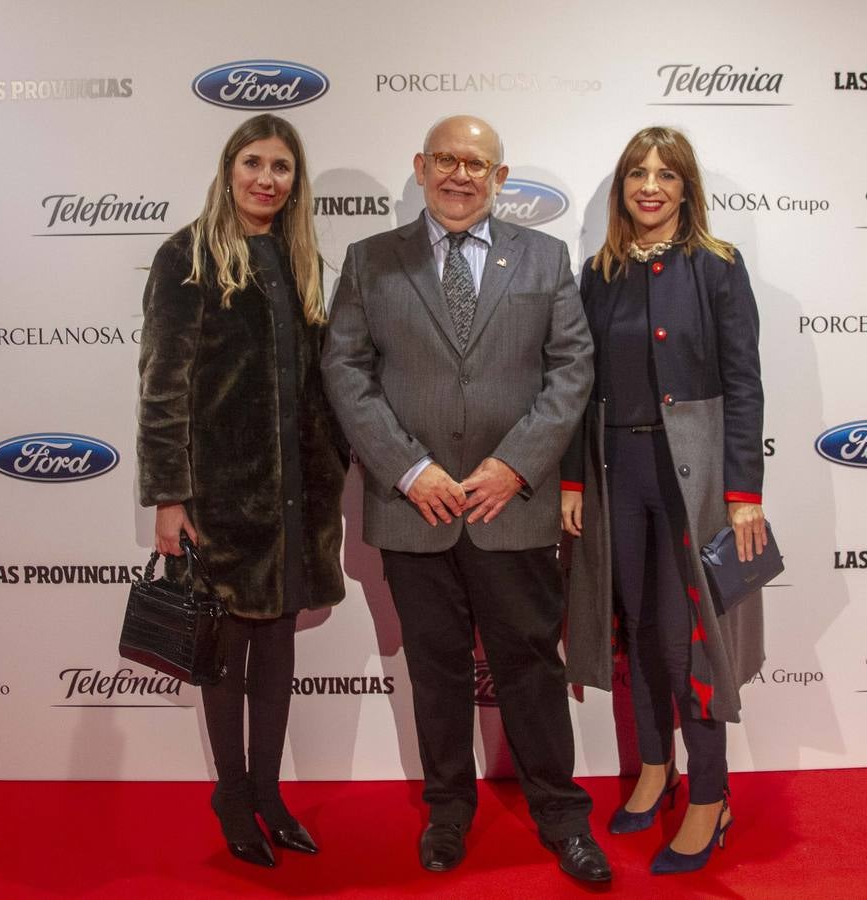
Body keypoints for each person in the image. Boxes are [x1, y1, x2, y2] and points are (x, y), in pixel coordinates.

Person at [321, 115, 610, 883]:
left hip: (508, 507)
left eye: (476, 164)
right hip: (414, 510)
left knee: (531, 669)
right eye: (446, 159)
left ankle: (560, 812)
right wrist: (410, 471)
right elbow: (346, 373)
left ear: (500, 178)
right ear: (420, 166)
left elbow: (572, 371)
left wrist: (515, 466)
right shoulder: (369, 261)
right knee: (437, 671)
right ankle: (448, 811)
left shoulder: (545, 259)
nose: (460, 175)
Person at [136, 114, 346, 868]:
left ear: (296, 181)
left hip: (298, 497)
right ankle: (232, 792)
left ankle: (269, 793)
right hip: (224, 495)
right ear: (229, 170)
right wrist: (169, 496)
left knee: (280, 646)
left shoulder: (302, 259)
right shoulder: (185, 255)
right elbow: (163, 388)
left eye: (282, 166)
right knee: (226, 655)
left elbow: (322, 380)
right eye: (254, 162)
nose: (267, 178)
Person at [560, 125, 768, 876]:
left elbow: (744, 382)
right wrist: (574, 479)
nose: (650, 186)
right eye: (637, 174)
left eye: (666, 174)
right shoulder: (599, 272)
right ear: (622, 188)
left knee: (690, 646)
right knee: (637, 631)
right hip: (620, 472)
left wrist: (745, 492)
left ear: (686, 187)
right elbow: (578, 387)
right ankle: (655, 768)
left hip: (698, 481)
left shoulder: (717, 267)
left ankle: (709, 796)